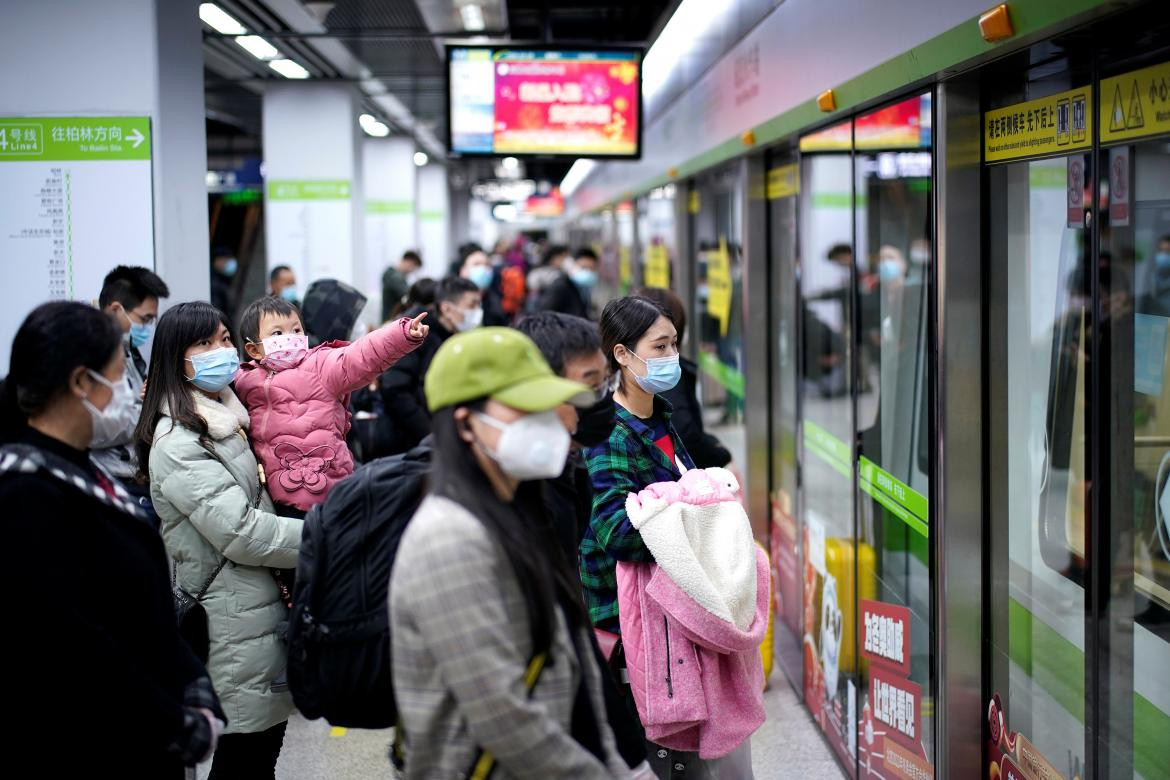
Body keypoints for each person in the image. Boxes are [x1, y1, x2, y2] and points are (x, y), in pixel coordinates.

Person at [389, 326, 632, 779]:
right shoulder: (448, 538)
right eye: (524, 408)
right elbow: (503, 715)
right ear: (465, 423)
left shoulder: (519, 511)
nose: (550, 420)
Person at [0, 301, 224, 775]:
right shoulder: (25, 492)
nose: (129, 392)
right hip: (100, 741)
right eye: (119, 376)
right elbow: (75, 642)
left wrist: (190, 679)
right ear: (82, 383)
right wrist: (174, 720)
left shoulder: (78, 466)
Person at [136, 302, 303, 778]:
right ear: (176, 358)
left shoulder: (228, 420)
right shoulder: (179, 442)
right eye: (204, 343)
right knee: (246, 760)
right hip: (230, 621)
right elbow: (243, 534)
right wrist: (323, 535)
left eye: (226, 339)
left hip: (254, 611)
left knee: (258, 756)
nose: (221, 351)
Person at [514, 311, 652, 776]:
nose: (601, 399)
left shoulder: (564, 469)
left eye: (603, 384)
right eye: (589, 384)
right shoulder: (518, 496)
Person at [583, 295, 708, 777]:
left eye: (674, 343)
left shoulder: (660, 418)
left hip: (672, 605)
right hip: (632, 615)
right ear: (621, 354)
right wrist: (695, 530)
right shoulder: (611, 435)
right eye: (659, 346)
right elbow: (615, 532)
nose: (671, 356)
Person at [234, 295, 427, 516]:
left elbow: (359, 356)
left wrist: (400, 334)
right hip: (277, 500)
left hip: (327, 492)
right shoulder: (245, 380)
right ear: (254, 350)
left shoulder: (320, 365)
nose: (290, 338)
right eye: (278, 333)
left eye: (296, 331)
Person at [634, 287, 732, 469]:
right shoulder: (664, 374)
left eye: (673, 343)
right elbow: (684, 433)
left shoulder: (641, 370)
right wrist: (720, 454)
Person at [380, 277, 480, 453]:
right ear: (447, 308)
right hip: (413, 442)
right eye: (472, 305)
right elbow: (395, 389)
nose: (478, 312)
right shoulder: (415, 335)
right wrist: (430, 434)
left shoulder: (453, 336)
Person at [93, 264, 171, 487]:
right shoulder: (91, 356)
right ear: (116, 309)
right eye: (145, 318)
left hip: (135, 476)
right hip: (111, 477)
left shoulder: (127, 350)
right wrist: (147, 408)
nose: (147, 327)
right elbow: (95, 428)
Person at [536, 246, 599, 319]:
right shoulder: (560, 287)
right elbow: (542, 315)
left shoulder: (584, 290)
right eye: (584, 268)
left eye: (592, 269)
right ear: (573, 265)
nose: (587, 273)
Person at [458, 245, 509, 326]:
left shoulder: (497, 302)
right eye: (476, 264)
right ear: (463, 270)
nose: (483, 268)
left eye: (487, 264)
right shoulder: (453, 300)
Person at [382, 250, 423, 322]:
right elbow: (409, 296)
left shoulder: (390, 274)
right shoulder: (396, 278)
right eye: (412, 266)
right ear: (407, 262)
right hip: (391, 320)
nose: (412, 270)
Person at [527, 244, 571, 310]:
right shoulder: (553, 274)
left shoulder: (559, 272)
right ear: (554, 258)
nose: (564, 261)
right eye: (562, 258)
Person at [210, 247, 238, 316]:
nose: (229, 263)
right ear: (216, 262)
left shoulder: (223, 280)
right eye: (225, 260)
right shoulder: (214, 284)